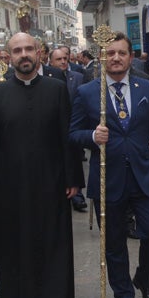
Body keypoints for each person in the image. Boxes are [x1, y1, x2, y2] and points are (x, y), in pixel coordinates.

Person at [0, 32, 84, 298]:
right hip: (12, 183)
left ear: (39, 53)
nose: (24, 54)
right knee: (13, 242)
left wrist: (73, 177)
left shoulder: (57, 88)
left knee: (52, 245)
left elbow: (66, 135)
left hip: (52, 180)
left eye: (29, 49)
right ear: (8, 57)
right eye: (17, 50)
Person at [70, 32, 149, 298]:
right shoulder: (88, 92)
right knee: (113, 244)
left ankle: (144, 279)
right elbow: (72, 133)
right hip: (107, 179)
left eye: (121, 53)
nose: (115, 58)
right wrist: (91, 136)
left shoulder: (146, 89)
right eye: (110, 53)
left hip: (143, 175)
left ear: (130, 56)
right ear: (102, 57)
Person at [50, 46, 88, 212]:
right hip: (55, 129)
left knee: (75, 160)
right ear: (51, 62)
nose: (63, 62)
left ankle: (78, 195)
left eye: (65, 58)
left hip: (74, 126)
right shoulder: (48, 80)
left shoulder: (78, 77)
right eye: (58, 59)